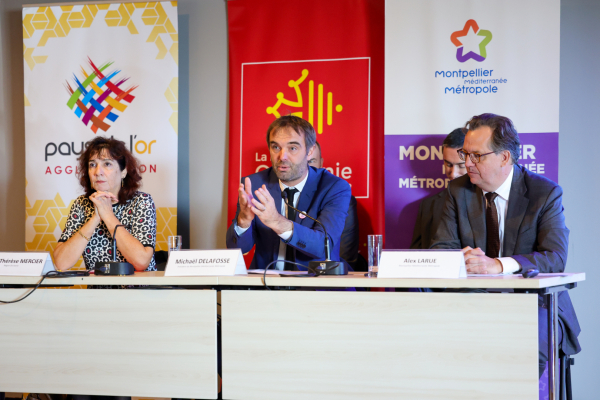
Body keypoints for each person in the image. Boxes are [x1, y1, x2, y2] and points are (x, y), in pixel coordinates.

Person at [430, 113, 581, 377]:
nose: (468, 162)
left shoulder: (544, 193)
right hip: (471, 300)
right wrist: (458, 259)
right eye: (466, 154)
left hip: (534, 303)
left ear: (504, 157)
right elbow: (441, 250)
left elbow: (555, 256)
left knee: (525, 349)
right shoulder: (457, 191)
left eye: (477, 155)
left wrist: (498, 265)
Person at [226, 115, 351, 270]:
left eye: (292, 148)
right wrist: (243, 221)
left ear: (310, 151)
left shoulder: (333, 187)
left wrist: (276, 222)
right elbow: (236, 249)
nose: (282, 157)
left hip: (314, 286)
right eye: (276, 147)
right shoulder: (254, 184)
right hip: (266, 287)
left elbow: (322, 247)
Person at [54, 136, 157, 274]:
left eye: (107, 164)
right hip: (97, 294)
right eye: (92, 165)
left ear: (123, 171)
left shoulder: (141, 202)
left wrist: (108, 215)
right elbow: (61, 263)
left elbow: (141, 262)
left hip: (138, 293)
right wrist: (95, 218)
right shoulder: (82, 204)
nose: (98, 172)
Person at [308, 141, 361, 270]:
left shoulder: (338, 195)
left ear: (321, 162)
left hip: (324, 277)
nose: (306, 168)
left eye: (311, 162)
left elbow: (346, 256)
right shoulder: (274, 194)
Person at [410, 128, 466, 249]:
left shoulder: (491, 201)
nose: (453, 173)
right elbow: (416, 256)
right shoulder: (428, 206)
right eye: (448, 164)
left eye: (461, 166)